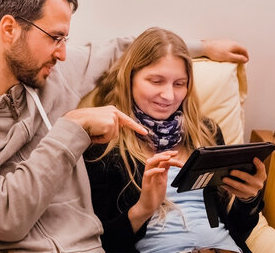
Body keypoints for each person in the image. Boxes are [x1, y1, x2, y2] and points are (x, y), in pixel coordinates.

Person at [0, 0, 250, 252]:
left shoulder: (51, 74)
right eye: (55, 37)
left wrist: (202, 46)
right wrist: (71, 128)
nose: (63, 53)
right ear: (9, 28)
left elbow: (124, 50)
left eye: (65, 39)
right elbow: (4, 218)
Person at [83, 27, 265, 253]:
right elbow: (98, 244)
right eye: (156, 81)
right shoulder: (104, 146)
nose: (169, 96)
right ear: (130, 78)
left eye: (179, 84)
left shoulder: (206, 133)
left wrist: (249, 199)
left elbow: (237, 230)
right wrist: (143, 209)